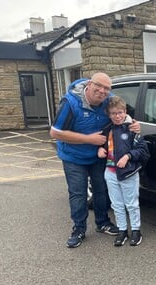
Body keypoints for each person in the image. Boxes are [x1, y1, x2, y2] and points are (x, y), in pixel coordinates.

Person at [50, 72, 140, 248]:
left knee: (101, 190)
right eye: (99, 86)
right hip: (73, 156)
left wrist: (134, 123)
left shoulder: (109, 99)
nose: (102, 91)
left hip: (99, 155)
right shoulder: (70, 102)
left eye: (107, 88)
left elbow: (122, 113)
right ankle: (79, 229)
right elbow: (55, 133)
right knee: (78, 193)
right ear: (89, 84)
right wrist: (89, 139)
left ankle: (103, 222)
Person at [98, 96, 150, 246]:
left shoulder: (132, 129)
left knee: (131, 203)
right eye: (114, 113)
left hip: (128, 173)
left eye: (120, 112)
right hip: (111, 172)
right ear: (109, 114)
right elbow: (103, 145)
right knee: (117, 204)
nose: (118, 116)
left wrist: (128, 156)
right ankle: (122, 230)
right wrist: (100, 150)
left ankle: (135, 230)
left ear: (125, 111)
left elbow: (143, 151)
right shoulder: (107, 129)